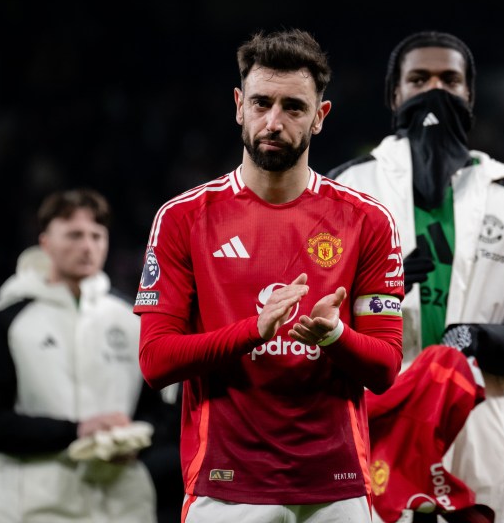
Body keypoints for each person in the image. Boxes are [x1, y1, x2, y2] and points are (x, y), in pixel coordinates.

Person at [135, 28, 405, 523]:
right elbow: (154, 362)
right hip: (223, 490)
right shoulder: (182, 218)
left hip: (337, 490)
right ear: (239, 105)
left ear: (320, 117)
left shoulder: (367, 220)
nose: (273, 121)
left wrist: (336, 335)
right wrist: (251, 332)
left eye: (293, 107)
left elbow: (386, 368)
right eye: (261, 103)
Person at [329, 31, 504, 523]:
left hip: (484, 435)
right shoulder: (345, 192)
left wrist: (480, 338)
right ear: (395, 95)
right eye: (419, 79)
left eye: (450, 80)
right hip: (377, 433)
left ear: (470, 95)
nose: (435, 90)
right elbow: (313, 329)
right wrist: (382, 293)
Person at [0, 189, 158, 523]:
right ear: (45, 243)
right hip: (33, 510)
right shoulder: (7, 316)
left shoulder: (131, 319)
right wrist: (75, 431)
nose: (87, 246)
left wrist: (138, 440)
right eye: (74, 235)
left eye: (96, 235)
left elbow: (162, 413)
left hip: (123, 507)